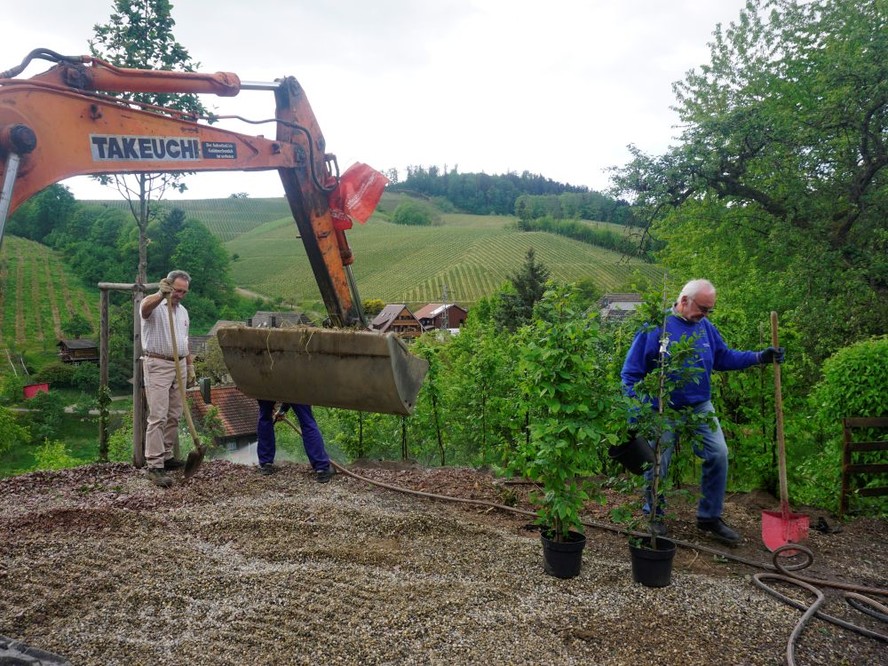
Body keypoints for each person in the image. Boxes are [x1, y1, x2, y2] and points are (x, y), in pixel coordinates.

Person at [620, 279, 785, 545]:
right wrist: (638, 412)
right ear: (684, 300)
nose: (706, 315)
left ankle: (709, 517)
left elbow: (723, 357)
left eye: (710, 310)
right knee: (657, 461)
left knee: (718, 453)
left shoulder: (705, 327)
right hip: (661, 408)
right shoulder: (655, 328)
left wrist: (758, 357)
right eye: (703, 309)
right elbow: (630, 375)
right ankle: (655, 515)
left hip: (699, 406)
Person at [140, 270, 196, 488]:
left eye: (184, 292)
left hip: (179, 364)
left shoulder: (183, 312)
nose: (180, 295)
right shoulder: (152, 304)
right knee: (159, 415)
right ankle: (154, 465)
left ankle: (167, 455)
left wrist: (190, 366)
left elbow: (185, 341)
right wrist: (160, 295)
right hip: (158, 364)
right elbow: (144, 311)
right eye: (177, 290)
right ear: (169, 286)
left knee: (175, 413)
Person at [256, 400, 334, 483]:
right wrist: (283, 409)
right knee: (306, 421)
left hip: (267, 388)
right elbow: (290, 391)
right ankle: (321, 468)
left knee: (264, 415)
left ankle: (265, 464)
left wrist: (283, 409)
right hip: (295, 388)